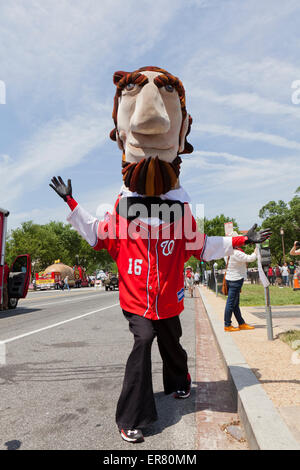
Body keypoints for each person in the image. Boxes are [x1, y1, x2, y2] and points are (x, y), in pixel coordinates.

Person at [50, 66, 271, 444]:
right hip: (137, 300)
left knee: (172, 340)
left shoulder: (179, 212)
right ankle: (132, 416)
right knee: (143, 340)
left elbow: (203, 246)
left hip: (168, 297)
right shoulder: (121, 211)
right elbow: (93, 233)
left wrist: (242, 240)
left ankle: (179, 381)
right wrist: (71, 202)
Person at [224, 234, 257, 332]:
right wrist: (256, 250)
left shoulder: (227, 252)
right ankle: (227, 324)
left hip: (230, 279)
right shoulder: (236, 253)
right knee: (231, 303)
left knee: (234, 304)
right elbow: (251, 258)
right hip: (236, 280)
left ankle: (241, 323)